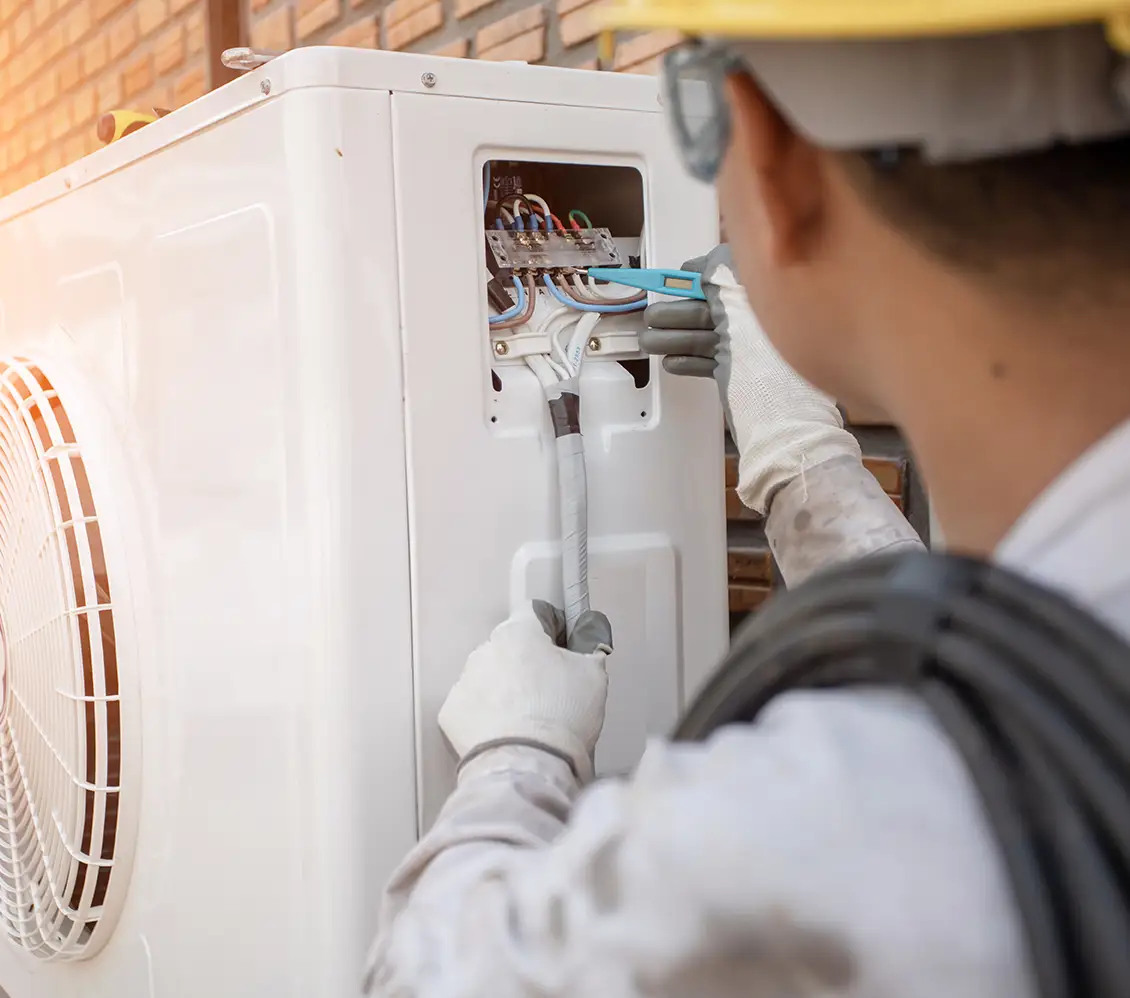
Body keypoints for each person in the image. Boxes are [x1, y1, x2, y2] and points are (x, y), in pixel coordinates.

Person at [363, 5, 1130, 996]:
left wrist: (517, 755)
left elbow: (424, 976)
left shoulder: (819, 826)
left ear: (769, 160)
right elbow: (1024, 646)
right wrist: (799, 459)